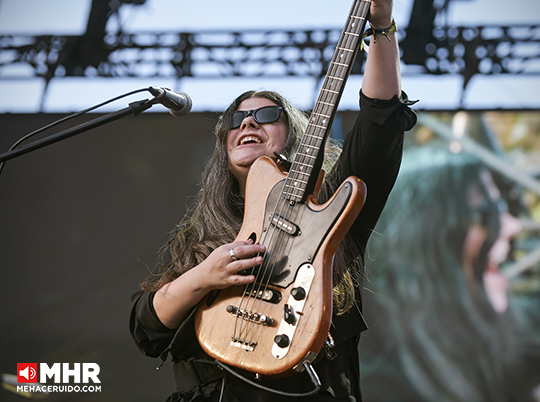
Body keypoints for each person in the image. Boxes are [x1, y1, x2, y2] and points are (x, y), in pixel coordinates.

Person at [130, 0, 417, 400]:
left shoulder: (332, 208)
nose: (247, 122)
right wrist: (205, 277)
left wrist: (382, 27)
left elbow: (380, 123)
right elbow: (145, 327)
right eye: (235, 118)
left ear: (297, 135)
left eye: (267, 114)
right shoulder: (200, 238)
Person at [359, 145, 540, 402]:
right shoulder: (379, 386)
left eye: (500, 207)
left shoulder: (511, 338)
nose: (512, 225)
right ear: (420, 241)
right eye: (483, 212)